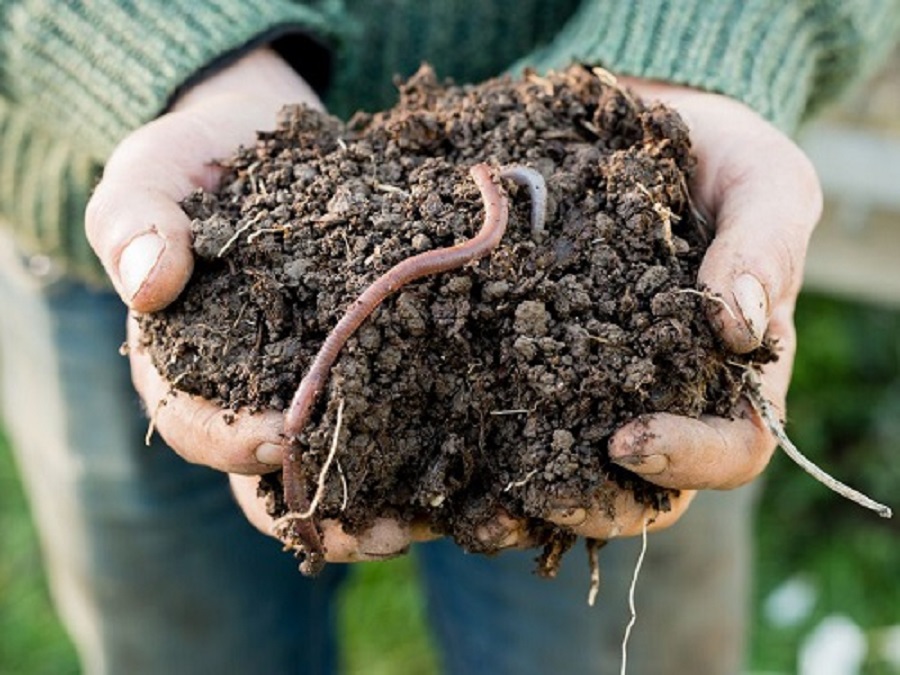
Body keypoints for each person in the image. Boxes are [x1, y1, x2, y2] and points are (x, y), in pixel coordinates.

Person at [1, 2, 897, 673]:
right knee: (181, 642)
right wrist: (178, 54)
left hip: (619, 305)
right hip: (175, 247)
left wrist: (714, 47)